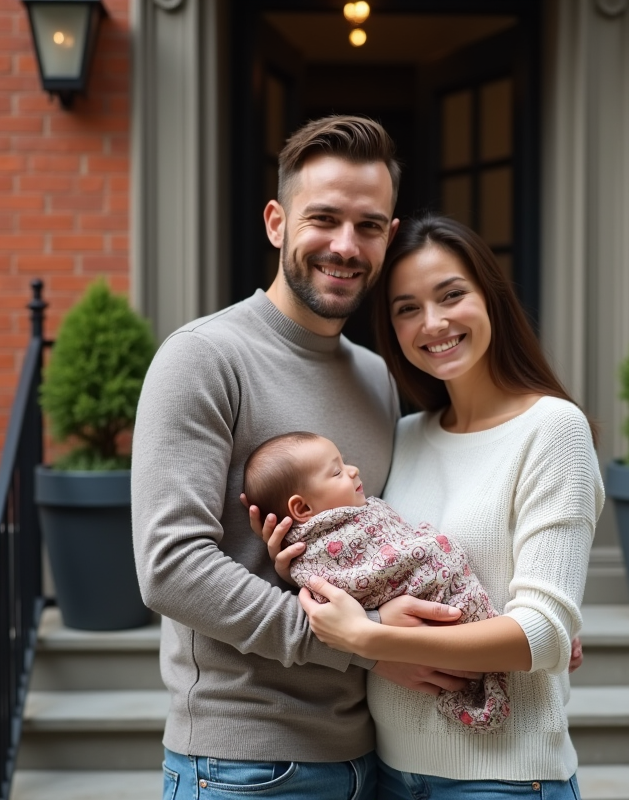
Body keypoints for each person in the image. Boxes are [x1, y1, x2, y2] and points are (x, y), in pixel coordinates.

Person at [131, 117, 479, 800]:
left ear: (388, 235)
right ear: (276, 222)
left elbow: (388, 541)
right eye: (324, 218)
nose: (346, 246)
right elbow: (169, 569)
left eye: (370, 226)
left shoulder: (379, 378)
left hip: (370, 754)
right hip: (241, 764)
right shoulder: (203, 358)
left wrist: (517, 625)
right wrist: (368, 643)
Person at [261, 214, 604, 799]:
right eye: (407, 308)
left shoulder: (553, 429)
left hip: (504, 777)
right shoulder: (407, 436)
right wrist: (299, 557)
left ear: (489, 297)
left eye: (451, 296)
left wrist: (369, 641)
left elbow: (541, 636)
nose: (434, 323)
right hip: (387, 770)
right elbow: (376, 566)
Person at [242, 431, 509, 731]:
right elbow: (354, 581)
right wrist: (376, 624)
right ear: (302, 509)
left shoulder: (359, 511)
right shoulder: (314, 551)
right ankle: (504, 644)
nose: (353, 469)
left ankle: (507, 643)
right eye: (337, 471)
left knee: (504, 642)